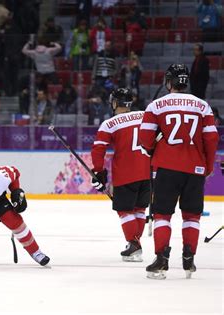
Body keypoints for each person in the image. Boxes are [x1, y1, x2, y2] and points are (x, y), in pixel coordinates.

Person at [139, 64, 219, 279]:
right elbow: (211, 139)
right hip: (195, 169)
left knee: (162, 215)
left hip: (167, 167)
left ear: (169, 82)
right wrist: (208, 167)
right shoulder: (203, 106)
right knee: (192, 216)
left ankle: (162, 259)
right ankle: (189, 258)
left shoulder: (156, 105)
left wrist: (153, 150)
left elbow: (145, 138)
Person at [91, 88, 151, 262]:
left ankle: (133, 245)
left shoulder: (110, 123)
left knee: (124, 211)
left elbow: (98, 149)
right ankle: (135, 244)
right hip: (147, 171)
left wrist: (99, 172)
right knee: (140, 209)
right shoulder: (145, 116)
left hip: (126, 173)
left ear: (115, 103)